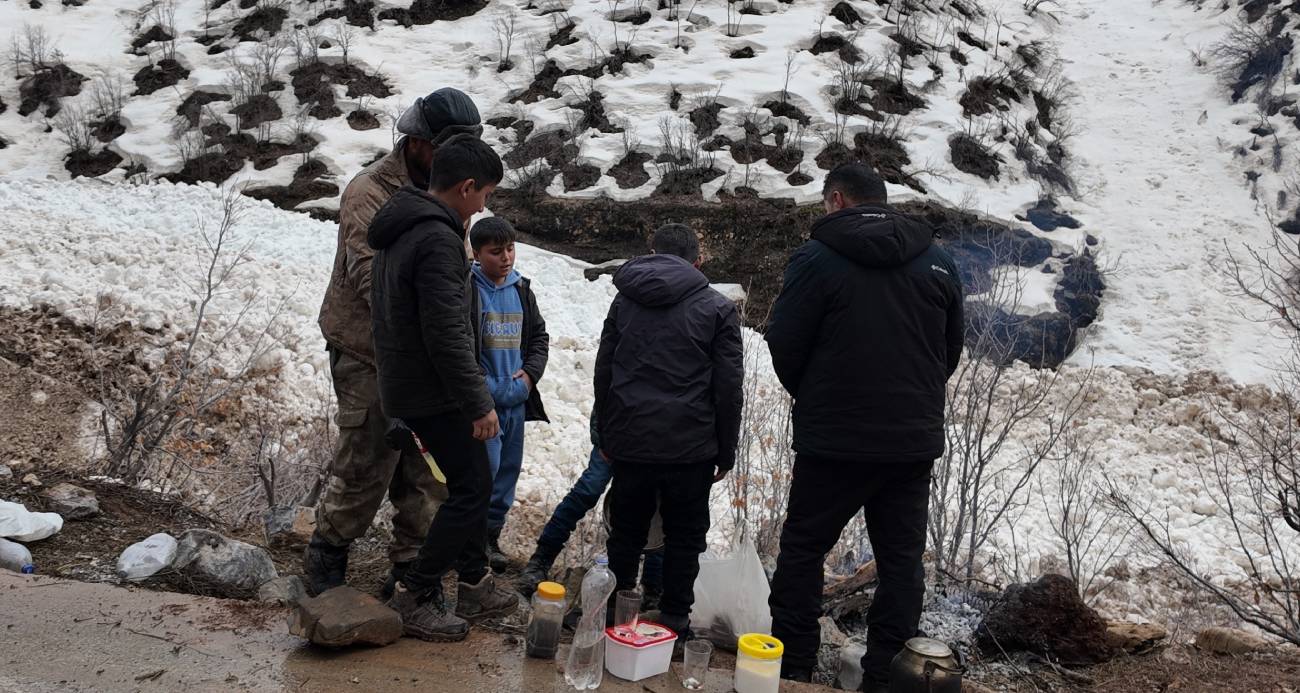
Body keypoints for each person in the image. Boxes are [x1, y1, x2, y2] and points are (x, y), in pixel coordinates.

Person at [764, 163, 964, 691]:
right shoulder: (939, 261)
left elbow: (784, 341)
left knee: (804, 549)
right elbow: (949, 351)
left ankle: (794, 667)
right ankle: (885, 676)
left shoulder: (816, 258)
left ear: (836, 200)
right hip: (910, 442)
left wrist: (815, 394)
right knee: (901, 562)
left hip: (834, 438)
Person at [307, 88, 484, 598]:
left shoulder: (448, 190)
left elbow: (452, 274)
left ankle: (410, 570)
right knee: (366, 463)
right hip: (368, 355)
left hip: (425, 359)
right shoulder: (369, 190)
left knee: (428, 474)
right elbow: (370, 277)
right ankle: (328, 560)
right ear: (419, 143)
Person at [368, 134, 520, 642]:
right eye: (485, 196)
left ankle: (475, 582)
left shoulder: (405, 222)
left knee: (467, 481)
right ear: (467, 186)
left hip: (408, 381)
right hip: (433, 389)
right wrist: (478, 401)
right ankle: (416, 593)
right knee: (473, 487)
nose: (484, 207)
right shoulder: (435, 237)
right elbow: (445, 330)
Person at [594, 224, 744, 636]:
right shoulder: (718, 308)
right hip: (690, 447)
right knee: (685, 535)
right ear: (697, 262)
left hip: (630, 439)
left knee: (626, 531)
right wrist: (725, 449)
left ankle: (615, 614)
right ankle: (676, 618)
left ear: (652, 252)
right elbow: (728, 388)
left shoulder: (625, 302)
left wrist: (603, 431)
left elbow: (604, 369)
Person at [466, 217, 550, 572]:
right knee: (484, 471)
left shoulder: (521, 290)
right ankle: (467, 546)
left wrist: (530, 375)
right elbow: (459, 345)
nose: (506, 258)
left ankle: (489, 540)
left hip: (515, 400)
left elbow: (539, 338)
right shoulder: (468, 289)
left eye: (510, 249)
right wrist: (478, 386)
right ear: (476, 252)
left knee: (507, 474)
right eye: (495, 252)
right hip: (483, 405)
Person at [515, 421, 664, 604]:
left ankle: (652, 589)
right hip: (618, 434)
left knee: (658, 510)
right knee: (587, 490)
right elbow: (605, 395)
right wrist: (605, 434)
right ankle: (540, 560)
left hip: (661, 447)